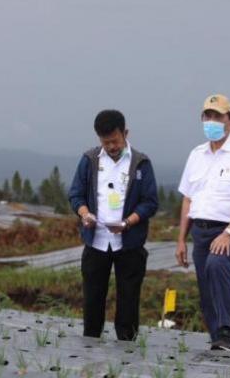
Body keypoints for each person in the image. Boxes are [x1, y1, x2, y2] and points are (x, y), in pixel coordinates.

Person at [175, 94, 230, 352]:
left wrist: (228, 232)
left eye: (217, 116)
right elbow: (188, 200)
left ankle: (226, 331)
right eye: (207, 116)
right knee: (205, 285)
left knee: (217, 263)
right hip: (200, 232)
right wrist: (181, 239)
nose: (211, 121)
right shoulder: (196, 155)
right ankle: (219, 341)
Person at [69, 109, 158, 341]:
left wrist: (128, 222)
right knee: (92, 299)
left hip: (129, 243)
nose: (111, 146)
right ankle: (90, 343)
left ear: (125, 133)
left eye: (115, 141)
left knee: (128, 300)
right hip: (96, 241)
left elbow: (150, 202)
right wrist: (84, 213)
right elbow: (75, 195)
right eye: (105, 142)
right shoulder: (89, 160)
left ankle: (127, 348)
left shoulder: (141, 163)